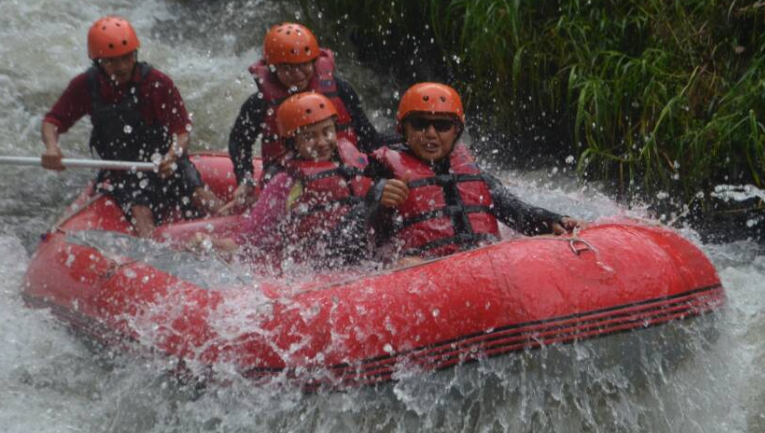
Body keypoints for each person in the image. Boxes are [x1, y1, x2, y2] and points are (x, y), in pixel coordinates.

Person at [40, 15, 222, 237]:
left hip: (166, 161)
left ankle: (238, 232)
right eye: (112, 61)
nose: (122, 66)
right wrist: (52, 147)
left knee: (201, 196)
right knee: (140, 211)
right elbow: (53, 121)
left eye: (127, 57)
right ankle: (159, 259)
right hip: (125, 170)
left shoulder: (157, 83)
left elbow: (181, 132)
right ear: (98, 61)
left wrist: (172, 155)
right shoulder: (86, 86)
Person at [365, 82, 582, 261]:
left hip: (482, 267)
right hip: (421, 271)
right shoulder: (384, 172)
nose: (430, 133)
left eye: (442, 126)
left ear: (457, 130)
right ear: (402, 128)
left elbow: (516, 211)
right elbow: (357, 234)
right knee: (406, 262)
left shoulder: (473, 174)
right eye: (420, 124)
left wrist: (553, 220)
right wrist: (378, 198)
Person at [225, 22, 393, 212]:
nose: (296, 74)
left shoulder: (339, 89)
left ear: (314, 62)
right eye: (287, 67)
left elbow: (367, 136)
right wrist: (245, 179)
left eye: (302, 65)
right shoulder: (260, 103)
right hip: (289, 176)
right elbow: (239, 142)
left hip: (344, 168)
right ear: (272, 68)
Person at [199, 92, 374, 271]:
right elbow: (250, 238)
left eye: (327, 132)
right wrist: (213, 244)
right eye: (309, 137)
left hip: (355, 254)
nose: (321, 142)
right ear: (292, 142)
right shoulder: (285, 182)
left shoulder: (356, 164)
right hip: (312, 267)